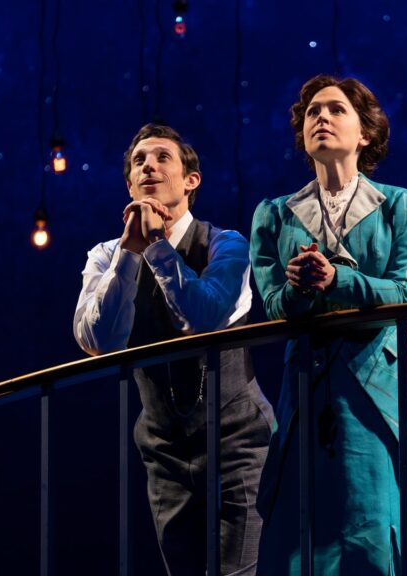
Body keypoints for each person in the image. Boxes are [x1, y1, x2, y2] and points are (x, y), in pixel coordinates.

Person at [249, 75, 407, 574]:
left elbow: (406, 291)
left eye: (335, 110)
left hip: (379, 389)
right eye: (311, 113)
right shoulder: (274, 216)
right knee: (309, 537)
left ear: (365, 133)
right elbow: (273, 305)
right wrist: (300, 289)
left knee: (382, 530)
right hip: (308, 391)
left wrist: (338, 280)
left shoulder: (402, 204)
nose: (320, 118)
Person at [73, 123, 274, 576]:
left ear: (190, 180)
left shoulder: (226, 244)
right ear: (129, 185)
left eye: (163, 157)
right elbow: (97, 340)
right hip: (164, 448)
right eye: (140, 161)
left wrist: (159, 248)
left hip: (235, 441)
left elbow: (203, 317)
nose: (149, 165)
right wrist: (130, 253)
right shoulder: (105, 255)